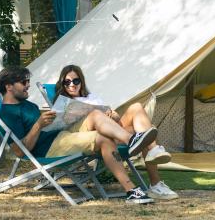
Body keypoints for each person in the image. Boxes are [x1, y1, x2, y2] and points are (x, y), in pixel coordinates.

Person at [0, 66, 157, 204]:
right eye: (23, 82)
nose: (28, 85)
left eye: (28, 82)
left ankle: (131, 140)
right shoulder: (7, 114)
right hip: (50, 148)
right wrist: (39, 124)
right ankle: (131, 190)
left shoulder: (28, 105)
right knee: (103, 138)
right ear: (9, 86)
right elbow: (19, 151)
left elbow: (45, 125)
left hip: (61, 134)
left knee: (95, 113)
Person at [53, 64, 178, 200]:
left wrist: (113, 115)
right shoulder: (62, 102)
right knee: (97, 114)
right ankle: (134, 141)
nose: (71, 84)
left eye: (75, 81)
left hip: (111, 130)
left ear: (81, 82)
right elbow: (60, 125)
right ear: (62, 84)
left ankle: (154, 167)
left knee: (138, 111)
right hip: (87, 136)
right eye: (67, 82)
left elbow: (116, 122)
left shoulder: (92, 97)